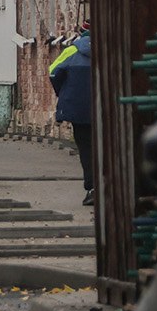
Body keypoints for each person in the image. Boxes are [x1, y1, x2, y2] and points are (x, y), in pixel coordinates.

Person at [50, 23, 95, 206]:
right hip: (107, 110)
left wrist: (64, 93)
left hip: (79, 110)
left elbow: (53, 72)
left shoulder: (71, 51)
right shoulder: (111, 50)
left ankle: (92, 189)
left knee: (86, 149)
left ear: (81, 33)